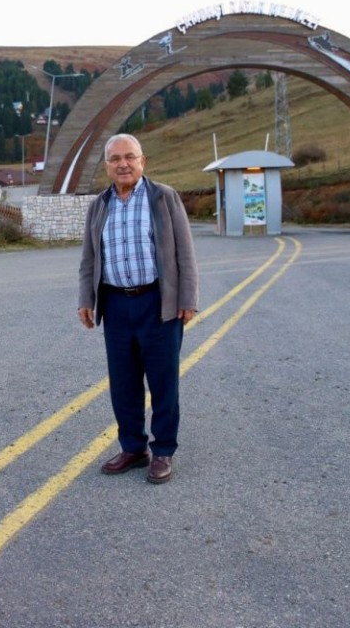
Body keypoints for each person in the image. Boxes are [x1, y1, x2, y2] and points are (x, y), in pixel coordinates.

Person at [78, 133, 199, 484]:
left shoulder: (164, 197)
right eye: (115, 159)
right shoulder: (99, 205)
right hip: (115, 304)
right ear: (107, 166)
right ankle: (133, 448)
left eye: (129, 157)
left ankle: (163, 451)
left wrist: (187, 299)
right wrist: (86, 299)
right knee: (123, 383)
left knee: (163, 383)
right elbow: (89, 258)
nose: (123, 164)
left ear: (142, 161)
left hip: (158, 302)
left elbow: (185, 253)